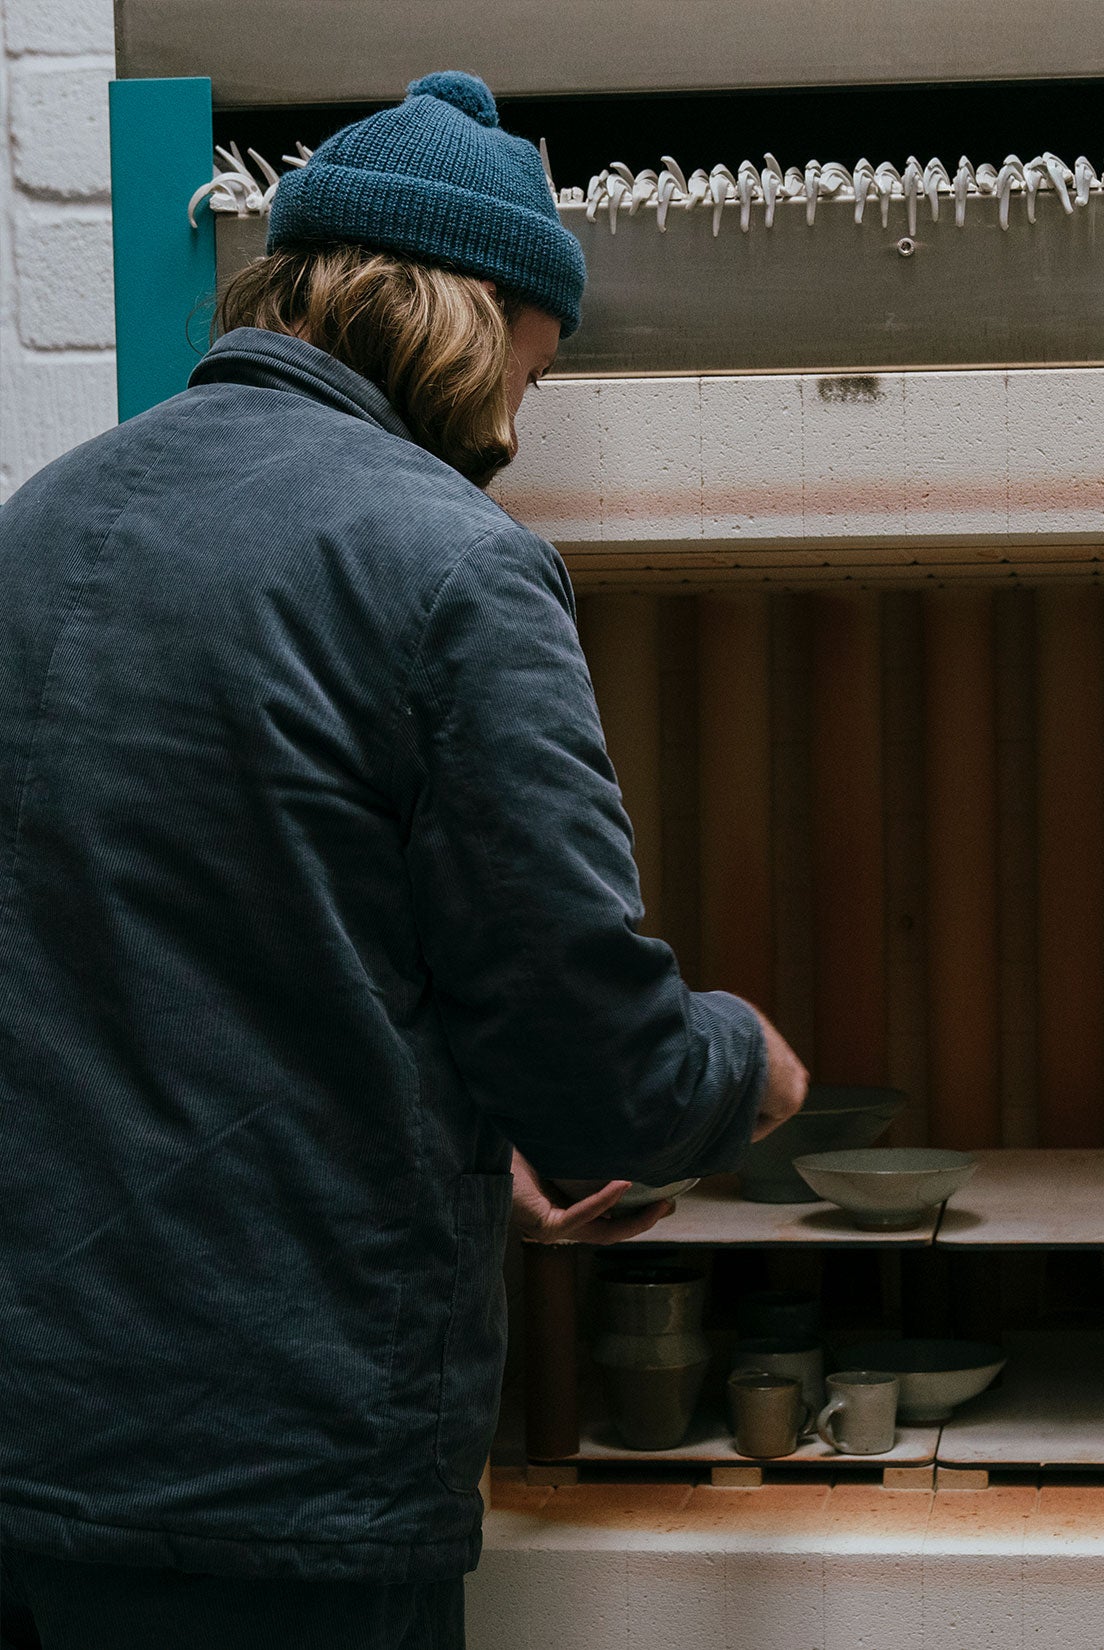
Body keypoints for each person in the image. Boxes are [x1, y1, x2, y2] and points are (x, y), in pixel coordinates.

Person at [0, 71, 807, 1647]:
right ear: (469, 308)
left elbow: (174, 984)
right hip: (274, 1492)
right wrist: (744, 1070)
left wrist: (446, 1156)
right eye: (535, 363)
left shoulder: (36, 528)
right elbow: (597, 1064)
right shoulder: (453, 565)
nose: (518, 420)